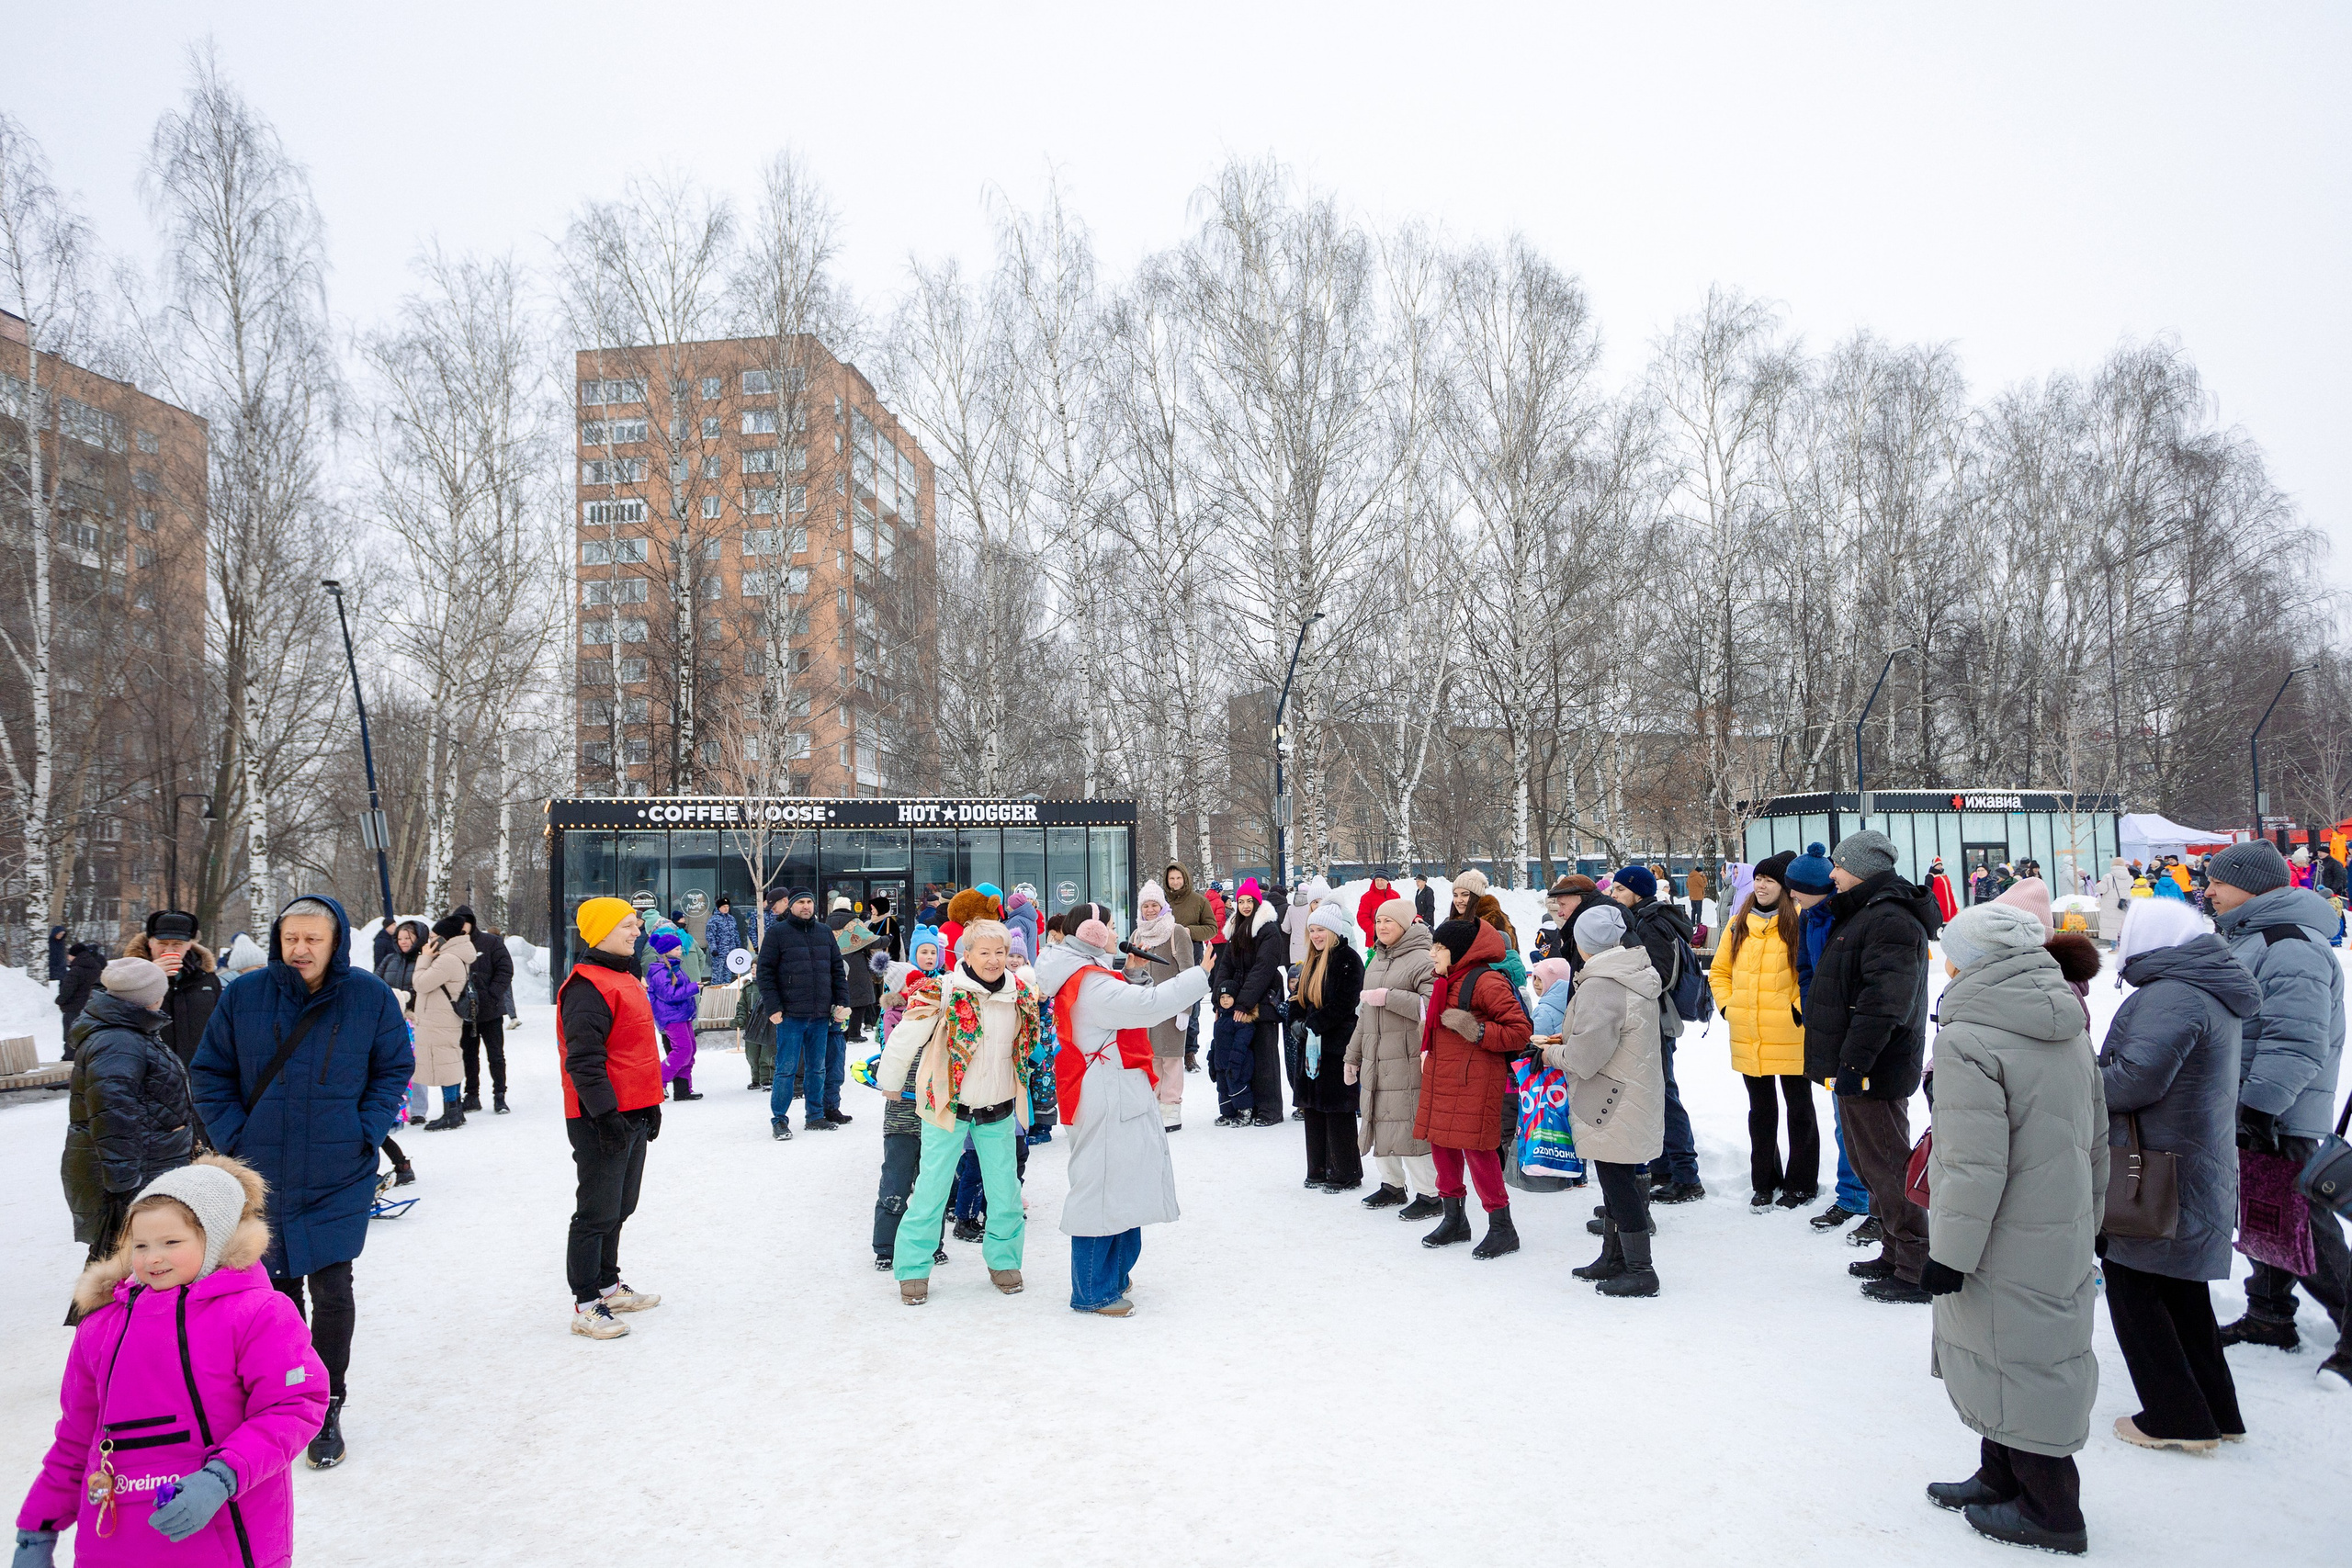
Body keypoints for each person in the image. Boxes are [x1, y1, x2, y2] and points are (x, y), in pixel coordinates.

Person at [187, 894, 412, 1472]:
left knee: (333, 1288)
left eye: (313, 938)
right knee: (277, 1294)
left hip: (340, 1168)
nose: (301, 949)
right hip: (262, 1176)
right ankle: (286, 1399)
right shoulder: (245, 995)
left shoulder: (368, 996)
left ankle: (329, 1402)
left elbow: (393, 1066)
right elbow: (209, 1070)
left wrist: (365, 1128)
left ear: (336, 940)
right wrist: (237, 1137)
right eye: (292, 938)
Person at [13, 1156, 329, 1568]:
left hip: (224, 1528)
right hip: (113, 1539)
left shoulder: (257, 1313)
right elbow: (76, 1437)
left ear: (214, 1240)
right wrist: (36, 1530)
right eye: (140, 1245)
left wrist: (222, 1477)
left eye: (171, 1242)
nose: (152, 1258)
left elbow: (293, 1405)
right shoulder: (101, 1328)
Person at [1920, 900, 2107, 1556]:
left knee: (2018, 1362)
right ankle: (2000, 1475)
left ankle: (2052, 1512)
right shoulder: (2066, 1016)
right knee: (2019, 1353)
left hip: (1998, 1233)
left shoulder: (1969, 1034)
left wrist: (1949, 1254)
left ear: (1969, 960)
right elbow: (2096, 1134)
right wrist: (2096, 1218)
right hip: (2056, 1220)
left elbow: (1974, 1163)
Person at [2094, 897, 2256, 1450]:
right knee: (2181, 1292)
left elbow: (2136, 1081)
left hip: (2156, 1169)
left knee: (2134, 1285)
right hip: (2189, 1159)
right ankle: (2216, 1411)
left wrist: (2077, 1080)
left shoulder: (2171, 995)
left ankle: (2176, 1417)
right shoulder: (2199, 986)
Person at [2201, 840, 2350, 1384]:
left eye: (2220, 880)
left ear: (2256, 885)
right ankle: (2269, 1313)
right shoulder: (2255, 938)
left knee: (2304, 1222)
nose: (2209, 890)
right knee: (2264, 1212)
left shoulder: (2288, 945)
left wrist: (2261, 1106)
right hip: (2251, 1103)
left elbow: (2297, 1040)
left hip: (2278, 1109)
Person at [1035, 903, 1214, 1315]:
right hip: (1106, 1093)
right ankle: (1093, 1289)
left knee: (1121, 1185)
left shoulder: (1089, 975)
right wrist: (1197, 976)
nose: (1118, 933)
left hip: (1111, 1089)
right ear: (1095, 933)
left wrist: (1130, 974)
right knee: (1101, 1191)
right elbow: (1147, 1006)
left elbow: (1125, 1004)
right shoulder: (1091, 983)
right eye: (1112, 927)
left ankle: (1112, 1274)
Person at [1801, 830, 1942, 1301]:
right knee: (1868, 1161)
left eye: (1838, 866)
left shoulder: (1890, 919)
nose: (1832, 875)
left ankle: (1915, 1263)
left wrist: (1854, 1062)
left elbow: (1884, 1002)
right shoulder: (1865, 911)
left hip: (1874, 1065)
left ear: (1859, 867)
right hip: (1858, 1062)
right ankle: (1893, 1250)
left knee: (1887, 1164)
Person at [878, 919, 1040, 1305]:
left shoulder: (1020, 993)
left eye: (1000, 952)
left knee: (1006, 1195)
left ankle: (1004, 1261)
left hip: (998, 1108)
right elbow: (905, 1037)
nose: (994, 960)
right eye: (984, 952)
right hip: (947, 1107)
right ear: (965, 955)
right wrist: (891, 1080)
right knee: (931, 1192)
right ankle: (914, 1269)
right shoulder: (943, 991)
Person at [552, 898, 665, 1340]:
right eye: (627, 925)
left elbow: (634, 1050)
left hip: (632, 1111)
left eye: (636, 924)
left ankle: (608, 1285)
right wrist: (606, 1116)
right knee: (595, 1212)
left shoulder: (623, 975)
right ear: (600, 931)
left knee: (621, 1207)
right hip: (600, 1117)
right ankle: (585, 1303)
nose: (636, 930)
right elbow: (584, 1063)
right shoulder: (586, 987)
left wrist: (649, 1104)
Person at [59, 957, 195, 1324]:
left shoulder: (128, 1032)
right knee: (116, 1272)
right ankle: (101, 1351)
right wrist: (124, 1190)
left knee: (126, 1269)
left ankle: (117, 1347)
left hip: (145, 1168)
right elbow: (113, 1117)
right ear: (147, 998)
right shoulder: (118, 1041)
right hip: (132, 1178)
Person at [1545, 902, 1665, 1296]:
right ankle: (1613, 1258)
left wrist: (1548, 1054)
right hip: (1633, 1092)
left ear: (1584, 944)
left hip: (1611, 1099)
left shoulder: (1601, 983)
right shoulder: (1632, 970)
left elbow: (1584, 1058)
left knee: (1617, 1185)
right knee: (1620, 1179)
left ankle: (1640, 1269)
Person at [1411, 917, 1533, 1258]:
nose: (1432, 954)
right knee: (1442, 1147)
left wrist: (1477, 1031)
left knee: (1478, 1152)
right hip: (1443, 1076)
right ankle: (1455, 1220)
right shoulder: (1445, 981)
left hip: (1475, 1078)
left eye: (1439, 948)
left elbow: (1520, 1031)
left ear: (1459, 951)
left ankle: (1502, 1227)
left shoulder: (1486, 981)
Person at [1708, 856, 1818, 1210]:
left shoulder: (1801, 922)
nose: (1761, 886)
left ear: (1786, 887)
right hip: (1748, 1031)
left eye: (1770, 880)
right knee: (1761, 1111)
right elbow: (1719, 971)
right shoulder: (1739, 923)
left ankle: (1801, 1184)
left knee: (1799, 1110)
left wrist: (1797, 1011)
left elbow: (1811, 973)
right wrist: (1729, 1007)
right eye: (1758, 878)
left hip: (1790, 1032)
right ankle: (1764, 1182)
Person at [1610, 864, 1703, 1203]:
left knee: (1664, 1094)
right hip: (1649, 1020)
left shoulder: (1652, 924)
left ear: (1637, 892)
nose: (1614, 894)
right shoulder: (1643, 920)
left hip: (1656, 1021)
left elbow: (1660, 976)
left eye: (1620, 889)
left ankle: (1686, 1175)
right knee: (1655, 1094)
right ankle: (1665, 1167)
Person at [1350, 897, 1440, 1218]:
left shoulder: (1421, 959)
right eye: (1378, 921)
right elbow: (1365, 1014)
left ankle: (1430, 1194)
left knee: (1409, 1126)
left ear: (1404, 924)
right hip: (1376, 1056)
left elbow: (1431, 1007)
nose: (1382, 926)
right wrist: (1353, 1055)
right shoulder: (1376, 959)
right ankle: (1392, 1185)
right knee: (1379, 1121)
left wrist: (1390, 998)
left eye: (1389, 921)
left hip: (1406, 1057)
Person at [757, 886, 850, 1140]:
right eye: (801, 903)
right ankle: (779, 1119)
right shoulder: (778, 933)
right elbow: (764, 973)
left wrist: (842, 1002)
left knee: (817, 1068)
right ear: (791, 906)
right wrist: (773, 1007)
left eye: (810, 901)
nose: (806, 906)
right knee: (786, 1069)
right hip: (790, 1015)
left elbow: (836, 971)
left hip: (820, 1014)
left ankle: (815, 1115)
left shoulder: (824, 932)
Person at [1293, 904, 1365, 1192]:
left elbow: (1346, 1003)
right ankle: (1318, 1167)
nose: (1316, 935)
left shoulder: (1348, 959)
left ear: (1334, 930)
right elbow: (1299, 1000)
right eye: (1312, 930)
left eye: (1320, 929)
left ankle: (1345, 1171)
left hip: (1336, 1043)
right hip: (1311, 1046)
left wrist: (1315, 1024)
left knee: (1337, 1108)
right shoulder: (1311, 959)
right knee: (1313, 1107)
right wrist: (1297, 1022)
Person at [1208, 878, 1289, 1127]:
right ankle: (1248, 1105)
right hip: (1240, 999)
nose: (1244, 905)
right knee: (1245, 1055)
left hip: (1263, 999)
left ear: (1257, 902)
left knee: (1265, 1056)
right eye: (1241, 901)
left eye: (1249, 901)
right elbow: (1226, 967)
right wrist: (1218, 1001)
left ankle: (1270, 1109)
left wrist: (1244, 1004)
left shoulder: (1268, 929)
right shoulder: (1236, 930)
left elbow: (1263, 969)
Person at [1125, 881, 1194, 1131]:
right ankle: (1153, 1105)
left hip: (1171, 1005)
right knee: (1152, 1057)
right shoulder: (1137, 934)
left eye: (1155, 904)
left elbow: (1189, 972)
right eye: (1146, 905)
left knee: (1172, 1058)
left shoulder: (1176, 932)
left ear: (1163, 906)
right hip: (1146, 1008)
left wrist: (1185, 1009)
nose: (1150, 910)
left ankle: (1171, 1107)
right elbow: (1129, 971)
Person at [123, 909, 223, 1073]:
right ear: (150, 943)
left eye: (177, 944)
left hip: (197, 1074)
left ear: (189, 945)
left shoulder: (206, 978)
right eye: (162, 943)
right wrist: (148, 976)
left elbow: (221, 1027)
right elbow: (113, 1013)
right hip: (147, 1072)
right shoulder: (125, 974)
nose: (168, 950)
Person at [409, 915, 478, 1132]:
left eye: (433, 936)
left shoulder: (448, 960)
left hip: (438, 1020)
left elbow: (420, 983)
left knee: (446, 1064)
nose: (430, 940)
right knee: (449, 1061)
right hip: (442, 1017)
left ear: (444, 937)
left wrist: (424, 958)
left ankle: (451, 1113)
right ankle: (454, 1110)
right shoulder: (454, 956)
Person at [454, 908, 514, 1114]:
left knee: (496, 1055)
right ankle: (471, 1095)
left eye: (465, 922)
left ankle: (500, 1095)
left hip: (491, 1010)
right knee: (469, 1055)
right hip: (464, 1011)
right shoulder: (451, 945)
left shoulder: (491, 942)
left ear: (472, 922)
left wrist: (492, 994)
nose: (462, 927)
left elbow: (505, 969)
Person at [1163, 862, 1217, 1075]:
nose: (1175, 882)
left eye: (1178, 878)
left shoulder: (1199, 901)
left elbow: (1212, 928)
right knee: (1166, 998)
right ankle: (1168, 1047)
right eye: (1171, 879)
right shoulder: (1162, 901)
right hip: (1165, 955)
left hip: (1191, 953)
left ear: (1185, 878)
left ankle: (1190, 1052)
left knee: (1191, 1002)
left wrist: (1188, 931)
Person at [644, 928, 705, 1101]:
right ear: (667, 951)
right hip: (672, 1017)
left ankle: (684, 1089)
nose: (681, 951)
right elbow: (669, 995)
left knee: (690, 1050)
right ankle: (658, 1082)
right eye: (677, 949)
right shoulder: (660, 972)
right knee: (683, 1050)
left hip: (682, 1014)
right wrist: (692, 987)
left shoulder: (674, 967)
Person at [830, 895, 883, 1043]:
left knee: (839, 999)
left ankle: (839, 1030)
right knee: (861, 999)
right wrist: (888, 938)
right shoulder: (854, 923)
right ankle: (853, 1033)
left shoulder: (826, 924)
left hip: (833, 963)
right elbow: (871, 940)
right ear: (848, 907)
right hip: (856, 965)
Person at [56, 940, 107, 1048]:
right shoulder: (96, 968)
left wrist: (59, 1001)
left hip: (73, 1009)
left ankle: (69, 1061)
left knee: (71, 1039)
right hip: (92, 1008)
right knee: (89, 1038)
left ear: (74, 955)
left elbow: (67, 990)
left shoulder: (75, 970)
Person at [705, 895, 744, 973]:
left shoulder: (731, 919)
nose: (726, 908)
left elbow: (735, 933)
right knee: (718, 974)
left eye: (727, 906)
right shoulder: (714, 919)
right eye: (724, 907)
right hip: (719, 952)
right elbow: (710, 935)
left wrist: (738, 946)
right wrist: (713, 949)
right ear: (719, 908)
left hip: (731, 951)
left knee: (728, 973)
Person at [1353, 874, 1396, 948]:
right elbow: (1362, 918)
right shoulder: (1367, 897)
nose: (1379, 882)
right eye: (1377, 880)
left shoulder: (1395, 896)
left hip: (1393, 939)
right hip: (1374, 941)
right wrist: (1376, 930)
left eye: (1382, 880)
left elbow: (1401, 913)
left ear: (1387, 881)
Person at [1928, 858, 1959, 923]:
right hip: (1938, 901)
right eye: (1938, 865)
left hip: (1949, 901)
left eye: (1940, 865)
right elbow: (1928, 889)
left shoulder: (1944, 876)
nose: (1940, 866)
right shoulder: (1930, 876)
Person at [1685, 862, 1710, 929]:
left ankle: (1692, 922)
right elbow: (1704, 884)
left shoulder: (1689, 877)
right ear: (1699, 872)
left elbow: (1687, 885)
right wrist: (1704, 877)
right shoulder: (1698, 877)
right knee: (1699, 910)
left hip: (1692, 896)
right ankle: (1698, 922)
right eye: (1701, 872)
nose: (1702, 873)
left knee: (1693, 910)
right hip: (1698, 896)